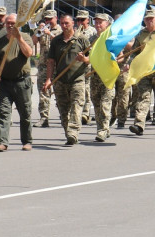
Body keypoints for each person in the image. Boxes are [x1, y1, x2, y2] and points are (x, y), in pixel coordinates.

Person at [0, 11, 35, 151]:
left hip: (22, 82)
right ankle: (3, 142)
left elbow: (29, 53)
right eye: (8, 23)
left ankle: (27, 141)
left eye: (13, 24)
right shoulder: (0, 41)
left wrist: (18, 38)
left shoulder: (25, 37)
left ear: (18, 25)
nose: (10, 26)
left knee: (25, 113)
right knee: (3, 112)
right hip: (4, 83)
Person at [42, 14, 91, 146]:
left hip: (77, 79)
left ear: (73, 23)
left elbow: (91, 58)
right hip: (60, 80)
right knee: (63, 110)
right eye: (62, 23)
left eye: (67, 23)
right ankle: (68, 132)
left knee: (76, 106)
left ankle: (73, 132)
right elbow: (51, 61)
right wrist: (48, 79)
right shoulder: (56, 41)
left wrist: (84, 59)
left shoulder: (81, 39)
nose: (64, 26)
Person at [130, 10, 155, 133]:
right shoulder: (141, 34)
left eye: (151, 19)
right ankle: (139, 124)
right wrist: (131, 63)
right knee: (143, 97)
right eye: (147, 19)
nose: (149, 21)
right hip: (145, 70)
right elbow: (134, 52)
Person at [87, 13, 115, 142]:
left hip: (107, 75)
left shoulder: (112, 38)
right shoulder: (92, 38)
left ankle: (103, 130)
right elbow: (87, 56)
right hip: (94, 75)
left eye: (101, 22)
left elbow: (119, 54)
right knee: (96, 103)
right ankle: (102, 128)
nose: (98, 25)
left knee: (105, 103)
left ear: (107, 24)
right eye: (96, 22)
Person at [33, 9, 60, 127]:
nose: (48, 21)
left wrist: (50, 34)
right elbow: (33, 42)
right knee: (43, 91)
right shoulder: (42, 30)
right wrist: (38, 30)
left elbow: (61, 43)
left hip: (58, 65)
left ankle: (65, 115)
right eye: (46, 19)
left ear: (56, 18)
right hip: (44, 65)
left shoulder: (61, 29)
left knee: (60, 91)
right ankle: (44, 117)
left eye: (50, 19)